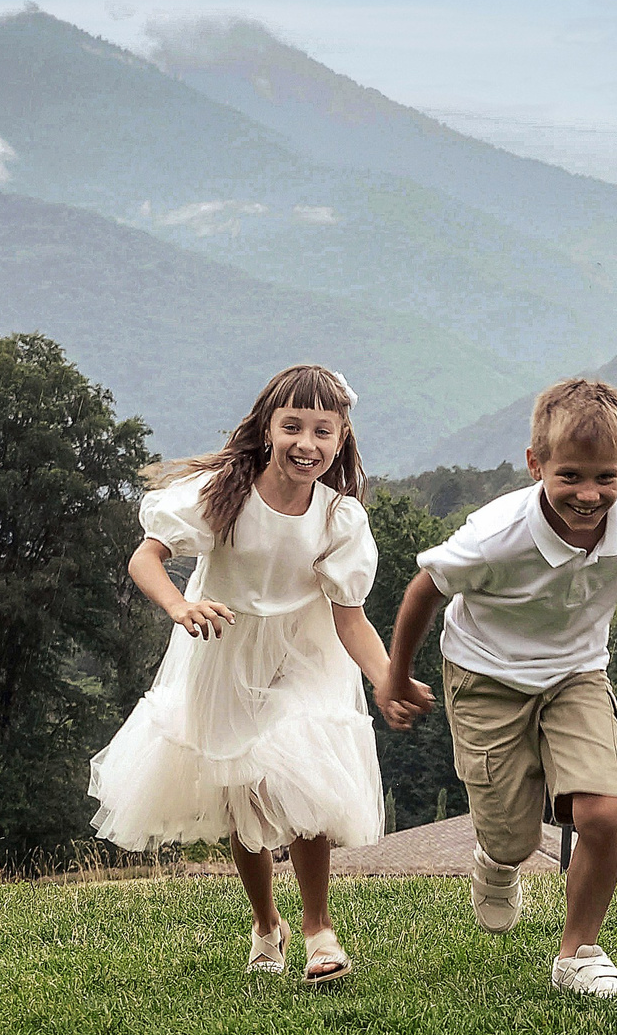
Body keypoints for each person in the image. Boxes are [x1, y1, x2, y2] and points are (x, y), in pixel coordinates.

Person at [381, 378, 617, 1000]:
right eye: (569, 476)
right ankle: (496, 858)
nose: (588, 495)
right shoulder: (494, 535)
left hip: (577, 673)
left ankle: (579, 954)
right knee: (513, 837)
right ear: (536, 465)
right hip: (487, 675)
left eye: (605, 477)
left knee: (604, 814)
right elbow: (424, 589)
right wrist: (397, 673)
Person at [89, 364, 419, 984]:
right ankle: (268, 923)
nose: (306, 443)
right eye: (292, 426)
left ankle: (320, 930)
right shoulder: (223, 494)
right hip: (223, 650)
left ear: (341, 437)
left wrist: (386, 679)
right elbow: (147, 558)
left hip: (305, 655)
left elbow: (351, 619)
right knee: (247, 791)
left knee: (302, 779)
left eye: (323, 431)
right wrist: (179, 605)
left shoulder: (338, 518)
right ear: (268, 428)